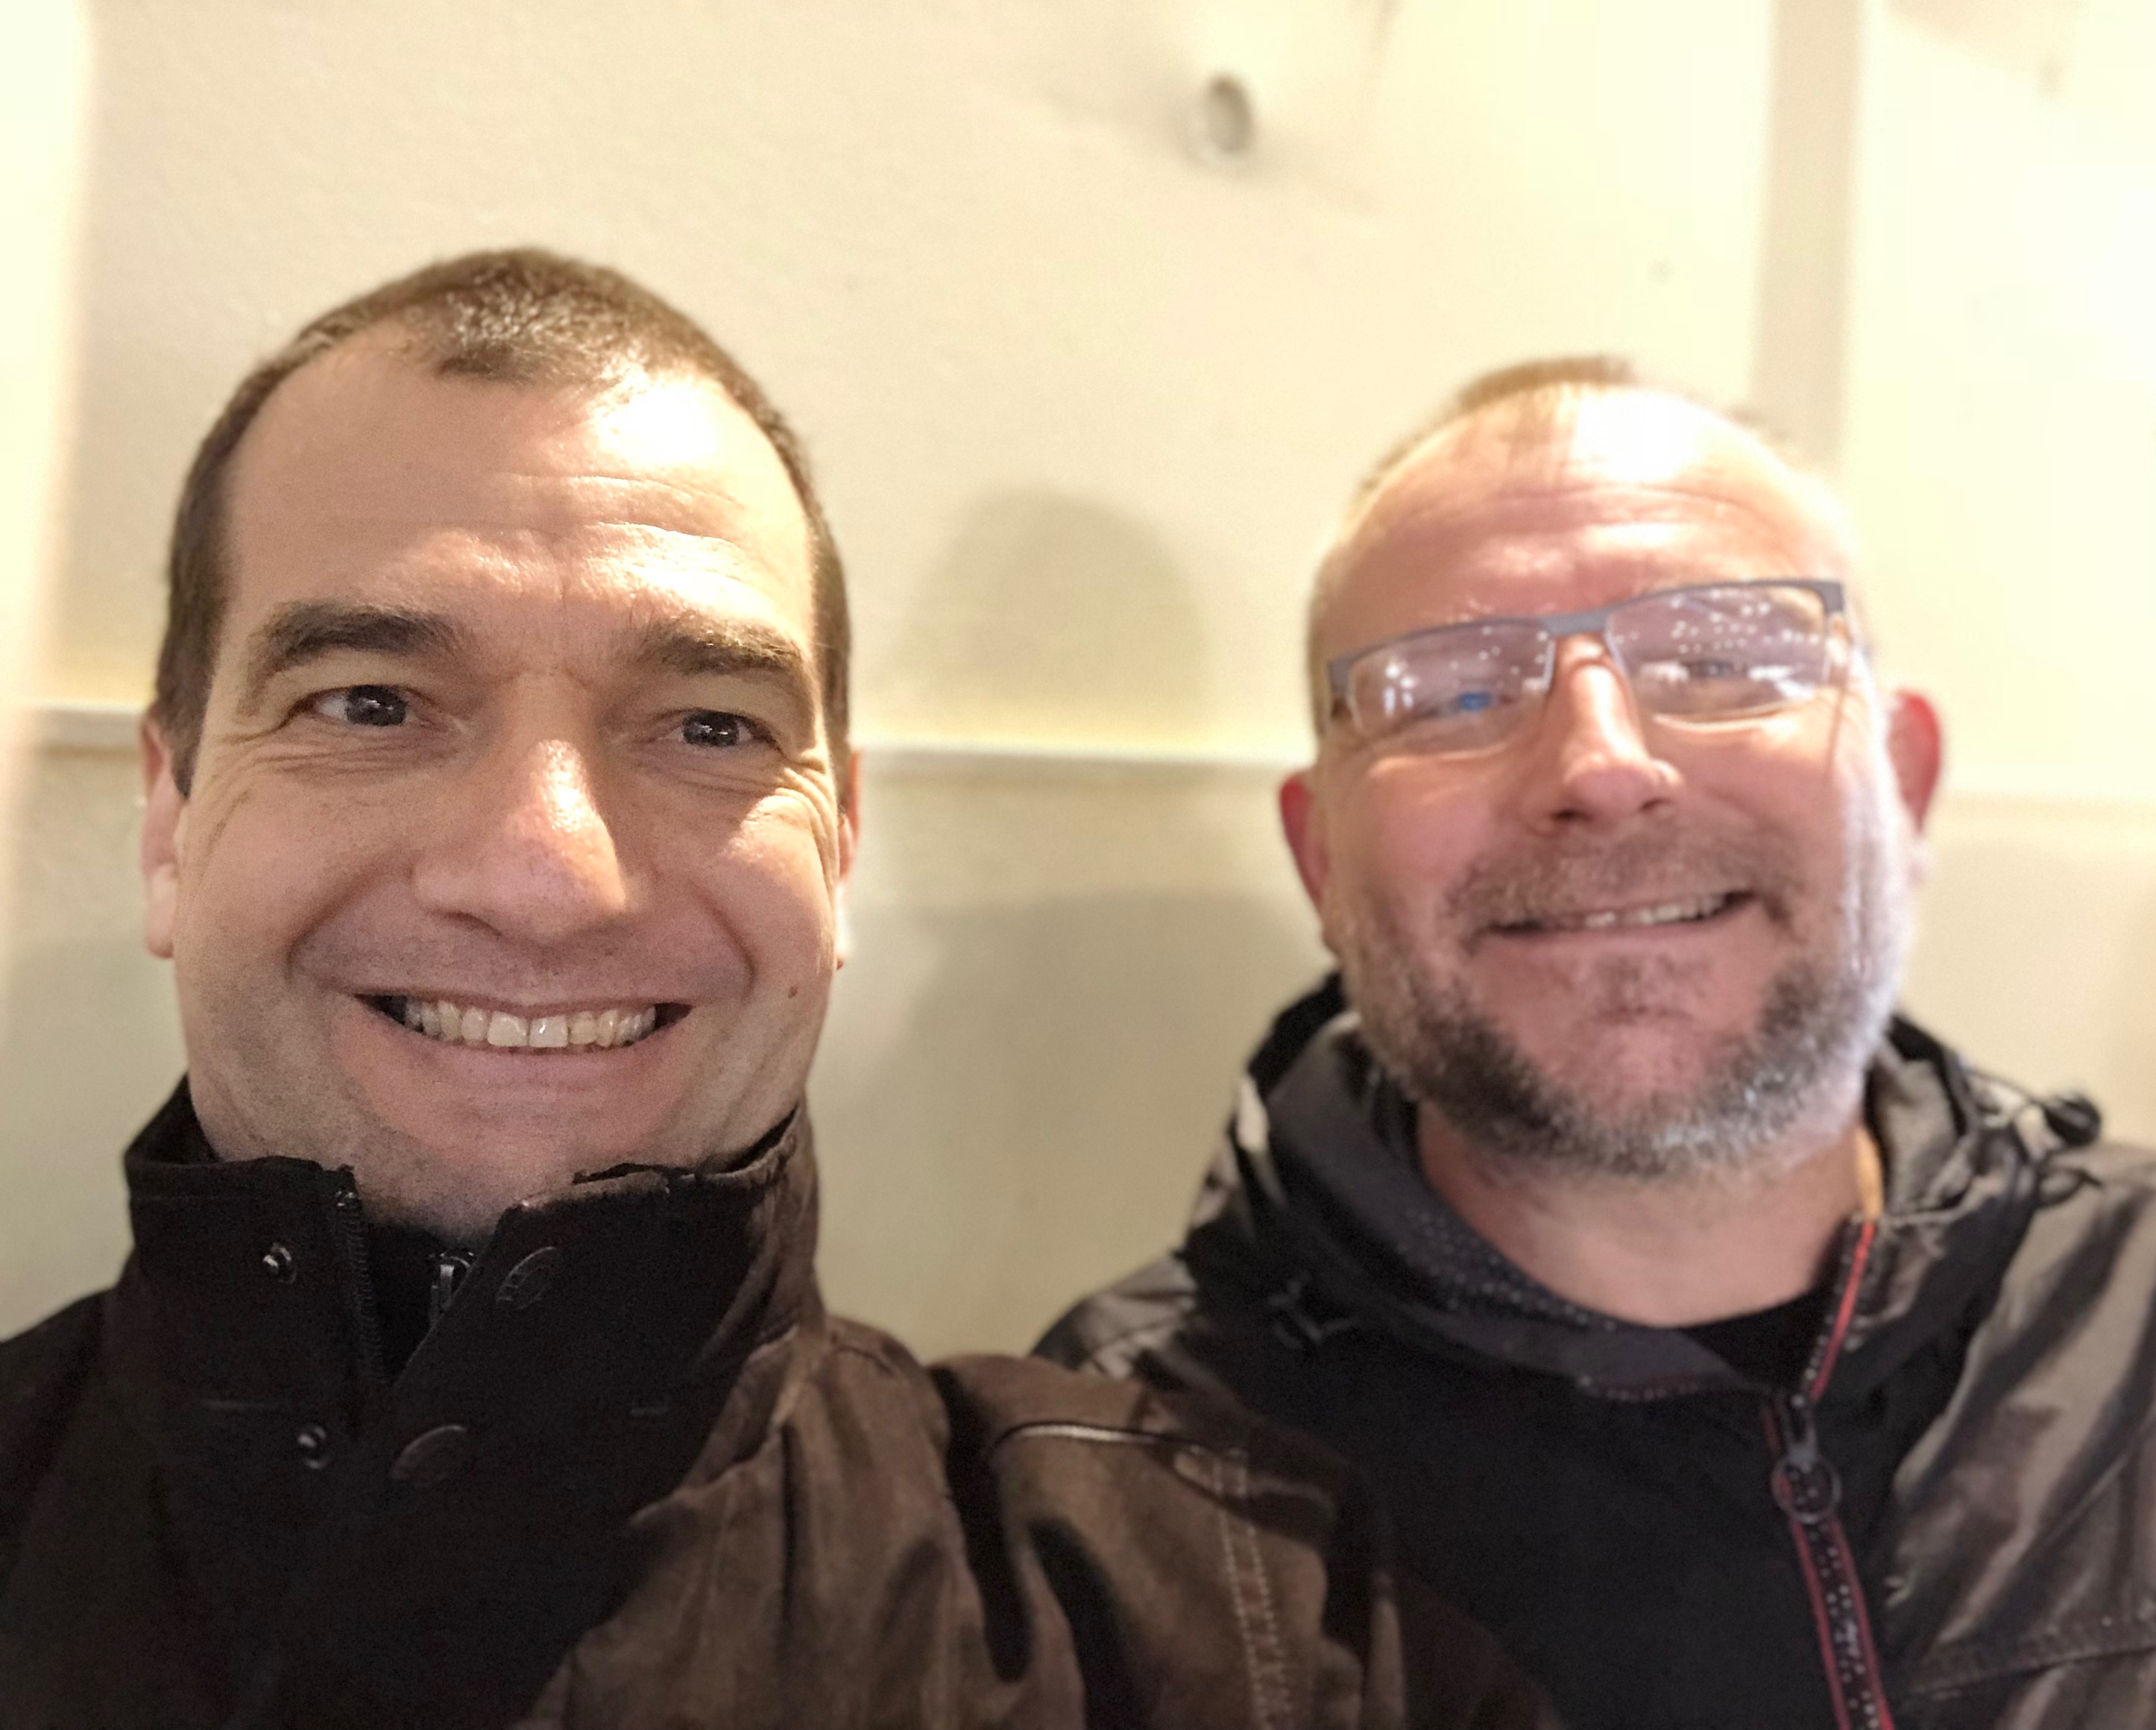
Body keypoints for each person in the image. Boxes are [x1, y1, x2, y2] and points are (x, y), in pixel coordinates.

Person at [0, 251, 1554, 1730]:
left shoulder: (1266, 1648)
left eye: (709, 727)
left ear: (841, 838)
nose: (548, 874)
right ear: (168, 819)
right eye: (369, 703)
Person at [1040, 358, 2156, 1729]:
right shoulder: (1108, 1468)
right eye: (1452, 693)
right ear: (1322, 861)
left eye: (1720, 662)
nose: (1601, 767)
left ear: (1906, 786)